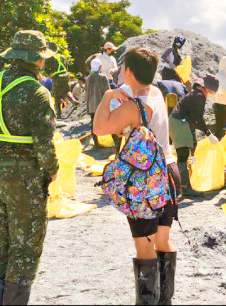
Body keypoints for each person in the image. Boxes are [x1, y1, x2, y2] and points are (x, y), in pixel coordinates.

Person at [0, 30, 59, 305]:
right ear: (38, 60)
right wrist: (52, 170)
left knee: (4, 249)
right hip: (25, 181)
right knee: (25, 252)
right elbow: (44, 142)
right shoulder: (37, 92)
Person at [92, 47, 178, 305]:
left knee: (144, 246)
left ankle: (148, 302)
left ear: (128, 71)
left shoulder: (134, 105)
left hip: (145, 180)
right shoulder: (156, 93)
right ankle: (165, 301)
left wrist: (108, 96)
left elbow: (99, 128)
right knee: (163, 240)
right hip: (169, 171)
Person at [168, 74, 219, 197]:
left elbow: (194, 118)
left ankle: (182, 186)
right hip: (179, 122)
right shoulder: (199, 96)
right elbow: (198, 118)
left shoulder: (196, 93)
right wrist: (208, 134)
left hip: (177, 121)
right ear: (208, 88)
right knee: (183, 154)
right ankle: (185, 187)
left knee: (183, 154)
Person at [86, 60, 111, 148]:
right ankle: (114, 142)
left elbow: (87, 93)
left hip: (91, 105)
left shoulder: (88, 78)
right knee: (108, 122)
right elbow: (108, 92)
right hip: (101, 105)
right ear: (100, 67)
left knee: (94, 124)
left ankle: (96, 143)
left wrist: (88, 108)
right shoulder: (103, 77)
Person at [48, 52, 71, 118]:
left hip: (57, 77)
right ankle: (72, 99)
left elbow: (47, 68)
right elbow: (66, 67)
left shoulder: (50, 58)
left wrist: (50, 74)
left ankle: (58, 114)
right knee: (67, 90)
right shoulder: (63, 57)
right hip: (65, 75)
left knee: (56, 96)